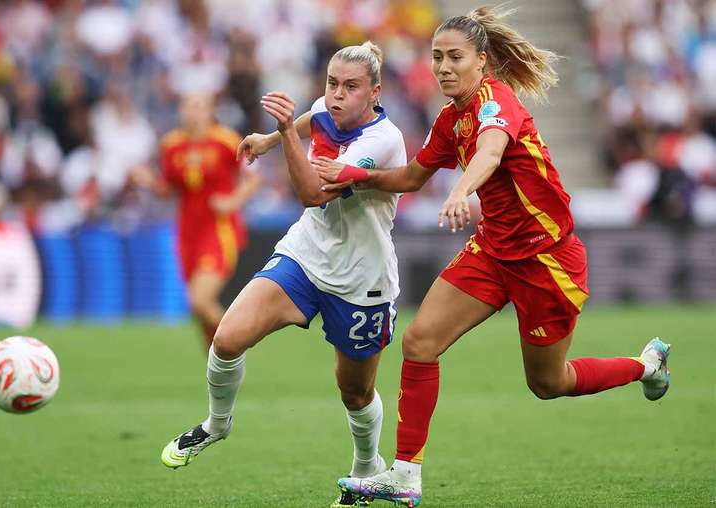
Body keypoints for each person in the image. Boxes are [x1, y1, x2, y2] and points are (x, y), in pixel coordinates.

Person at [314, 8, 672, 507]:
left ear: (482, 61)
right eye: (436, 56)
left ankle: (644, 365)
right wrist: (358, 176)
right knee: (418, 342)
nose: (442, 67)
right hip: (493, 252)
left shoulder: (495, 102)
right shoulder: (447, 118)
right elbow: (414, 177)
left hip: (547, 260)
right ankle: (405, 474)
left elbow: (488, 153)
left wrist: (462, 190)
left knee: (549, 383)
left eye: (454, 57)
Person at [159, 42, 408, 508]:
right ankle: (217, 424)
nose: (336, 95)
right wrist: (270, 140)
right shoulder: (323, 108)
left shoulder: (383, 140)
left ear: (375, 92)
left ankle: (367, 467)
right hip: (306, 255)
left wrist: (282, 134)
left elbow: (313, 193)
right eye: (332, 83)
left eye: (350, 87)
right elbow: (312, 119)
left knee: (355, 391)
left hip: (361, 278)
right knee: (227, 338)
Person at [131, 91, 260, 350]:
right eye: (188, 106)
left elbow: (253, 178)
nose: (193, 112)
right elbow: (169, 189)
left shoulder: (226, 141)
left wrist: (233, 201)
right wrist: (148, 182)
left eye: (199, 106)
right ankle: (219, 363)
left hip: (218, 229)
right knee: (198, 309)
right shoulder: (171, 145)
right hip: (188, 232)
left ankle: (240, 343)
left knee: (200, 300)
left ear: (210, 111)